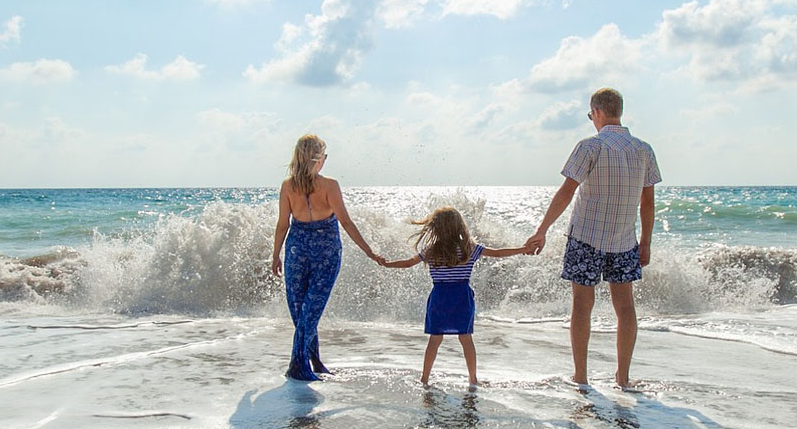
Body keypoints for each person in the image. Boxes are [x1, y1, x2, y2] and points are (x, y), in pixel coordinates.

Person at [525, 88, 661, 388]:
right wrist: (646, 242)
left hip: (586, 237)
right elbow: (647, 203)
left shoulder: (590, 147)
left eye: (591, 115)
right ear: (619, 111)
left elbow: (566, 192)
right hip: (625, 241)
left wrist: (542, 230)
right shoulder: (643, 150)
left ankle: (581, 376)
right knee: (625, 307)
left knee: (582, 306)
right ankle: (623, 377)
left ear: (597, 111)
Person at [271, 134, 382, 381]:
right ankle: (299, 365)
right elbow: (345, 221)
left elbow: (282, 225)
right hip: (326, 252)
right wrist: (369, 251)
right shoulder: (329, 185)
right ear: (319, 159)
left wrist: (276, 255)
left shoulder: (288, 186)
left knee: (303, 311)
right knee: (309, 311)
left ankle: (313, 362)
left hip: (296, 251)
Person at [380, 206, 526, 387]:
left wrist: (387, 264)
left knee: (435, 339)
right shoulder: (469, 249)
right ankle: (473, 379)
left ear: (435, 228)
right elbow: (497, 253)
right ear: (459, 227)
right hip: (461, 298)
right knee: (466, 338)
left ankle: (425, 378)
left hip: (439, 298)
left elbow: (409, 263)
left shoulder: (431, 250)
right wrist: (522, 249)